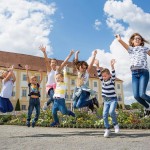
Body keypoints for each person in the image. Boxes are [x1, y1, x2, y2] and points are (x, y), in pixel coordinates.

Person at [115, 33, 150, 114]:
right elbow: (121, 42)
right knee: (136, 96)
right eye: (135, 38)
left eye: (139, 38)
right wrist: (119, 39)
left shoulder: (144, 48)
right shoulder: (130, 49)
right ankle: (147, 107)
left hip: (143, 72)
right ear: (132, 41)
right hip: (134, 74)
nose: (137, 39)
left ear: (141, 41)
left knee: (142, 94)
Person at [39, 45, 74, 111]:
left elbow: (64, 62)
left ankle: (47, 104)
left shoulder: (58, 70)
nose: (53, 63)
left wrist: (70, 54)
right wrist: (44, 52)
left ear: (56, 63)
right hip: (49, 87)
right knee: (53, 97)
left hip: (56, 87)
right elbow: (46, 61)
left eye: (55, 62)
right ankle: (50, 106)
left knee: (55, 98)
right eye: (52, 62)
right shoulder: (49, 69)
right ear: (50, 64)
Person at [95, 59, 119, 138]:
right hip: (106, 100)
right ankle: (107, 129)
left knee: (111, 112)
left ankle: (115, 124)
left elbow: (114, 74)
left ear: (109, 75)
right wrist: (97, 65)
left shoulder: (112, 80)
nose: (104, 77)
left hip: (113, 99)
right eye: (103, 76)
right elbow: (99, 74)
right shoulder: (102, 80)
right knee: (104, 115)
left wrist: (112, 66)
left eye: (105, 76)